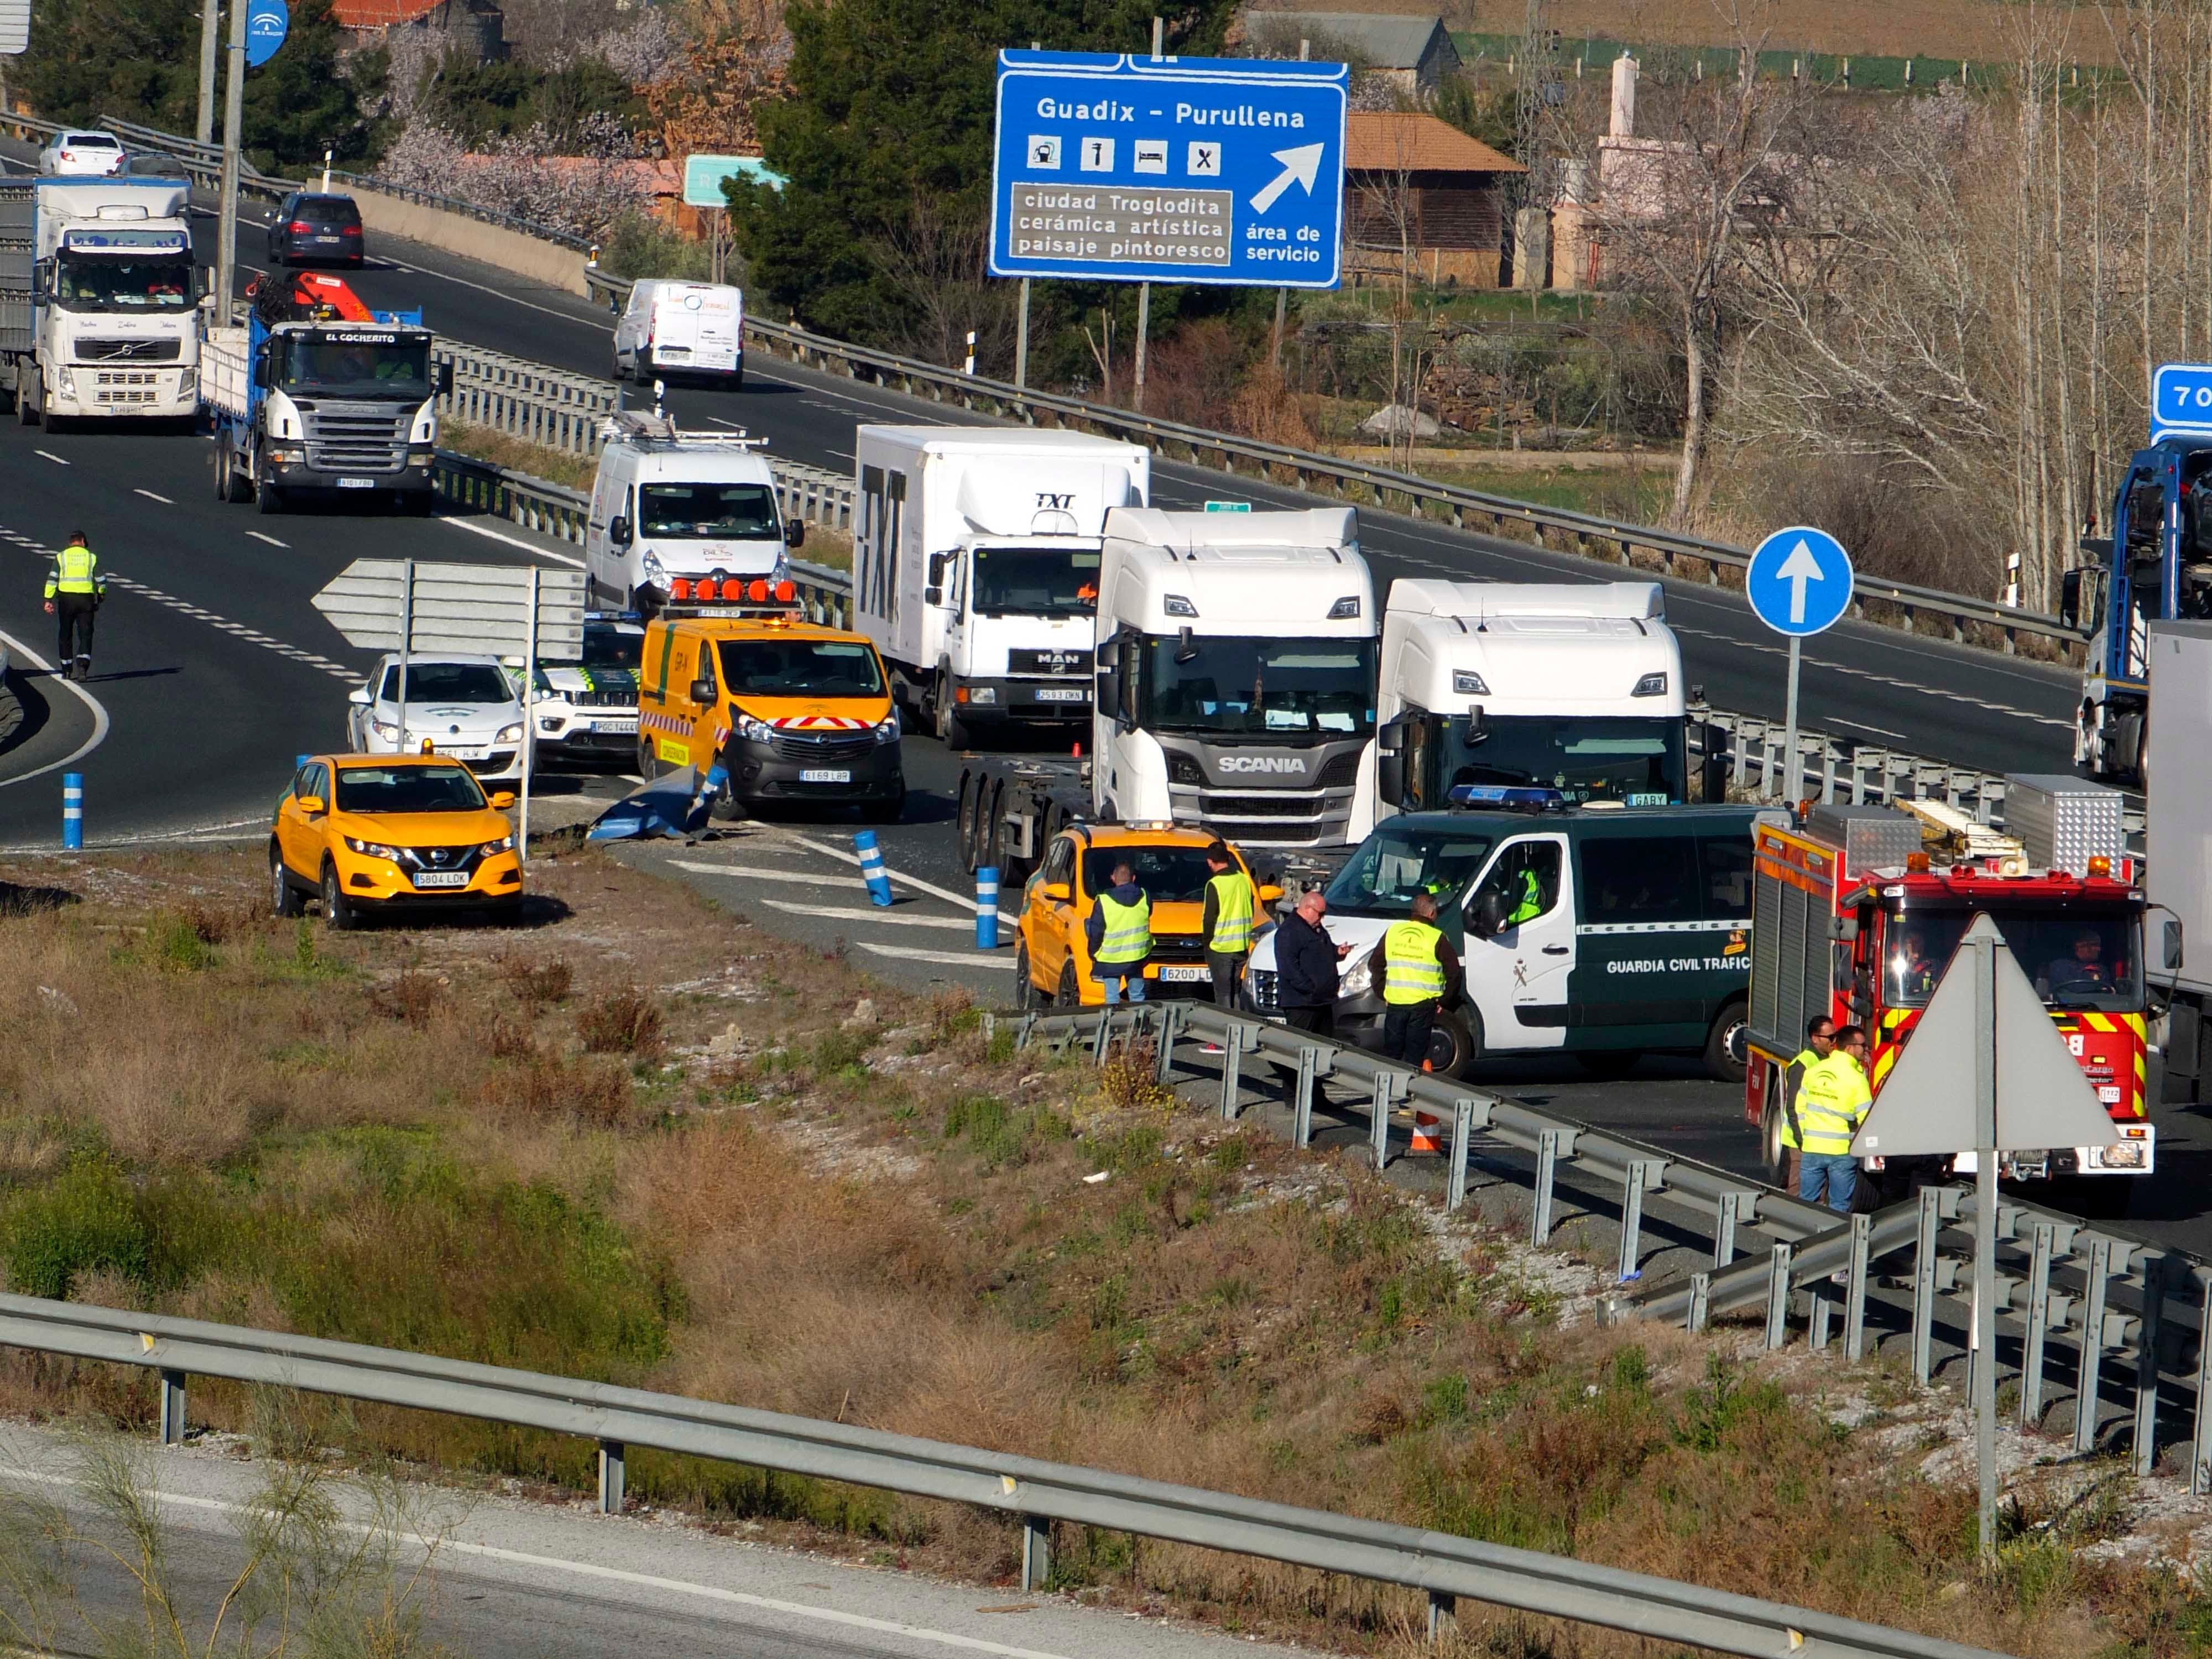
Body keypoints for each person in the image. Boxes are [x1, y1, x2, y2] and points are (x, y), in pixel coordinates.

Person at [1364, 890, 1463, 1070]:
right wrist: (1445, 1000)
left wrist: (1382, 992)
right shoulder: (1436, 937)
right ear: (1432, 914)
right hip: (1423, 1005)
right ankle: (1410, 1094)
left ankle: (1389, 1094)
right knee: (1415, 1057)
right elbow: (1455, 973)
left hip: (1395, 1003)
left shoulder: (1393, 932)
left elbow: (1375, 964)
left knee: (1392, 1055)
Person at [1796, 1024, 1872, 1214]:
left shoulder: (1815, 1071)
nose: (1866, 1049)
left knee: (1806, 1204)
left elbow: (1800, 1107)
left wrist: (1808, 1135)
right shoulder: (1857, 1079)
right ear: (1849, 1048)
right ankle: (1833, 1242)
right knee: (1839, 1208)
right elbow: (1866, 1119)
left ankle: (1803, 1240)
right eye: (1863, 1045)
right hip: (1841, 1152)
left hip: (1812, 1148)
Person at [1778, 1015, 1837, 1191]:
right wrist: (1802, 1141)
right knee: (1799, 1190)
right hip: (1802, 1141)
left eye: (1836, 1037)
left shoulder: (1828, 1060)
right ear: (1815, 1038)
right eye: (1830, 1038)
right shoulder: (1803, 1065)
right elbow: (1793, 1107)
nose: (1834, 1042)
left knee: (1818, 1191)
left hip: (1819, 1139)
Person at [1086, 860, 1152, 1005]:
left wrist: (1093, 952)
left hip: (1110, 960)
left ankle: (1113, 1026)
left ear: (1113, 878)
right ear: (1133, 879)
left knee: (1112, 1000)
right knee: (1137, 998)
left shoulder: (1104, 902)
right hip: (1136, 958)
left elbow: (1096, 932)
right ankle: (1139, 1025)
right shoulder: (1145, 897)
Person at [42, 529, 104, 682]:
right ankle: (82, 667)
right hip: (86, 600)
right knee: (86, 634)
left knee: (65, 633)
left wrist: (48, 599)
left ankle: (66, 669)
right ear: (83, 541)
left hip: (66, 599)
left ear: (70, 543)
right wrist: (101, 593)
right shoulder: (91, 557)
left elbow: (52, 579)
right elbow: (101, 580)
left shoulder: (61, 557)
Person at [1200, 840, 1256, 1007]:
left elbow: (1210, 919)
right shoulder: (1244, 880)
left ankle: (1225, 1029)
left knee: (1223, 994)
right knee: (1235, 991)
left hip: (1221, 947)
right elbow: (1251, 907)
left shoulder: (1215, 884)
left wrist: (1207, 942)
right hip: (1241, 946)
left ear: (1210, 862)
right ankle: (1238, 1026)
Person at [2044, 929, 2114, 999]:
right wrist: (2099, 990)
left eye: (2098, 945)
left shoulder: (2103, 969)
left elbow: (2109, 993)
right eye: (2094, 945)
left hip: (2100, 1008)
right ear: (2079, 947)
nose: (2099, 949)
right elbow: (2077, 989)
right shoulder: (2060, 966)